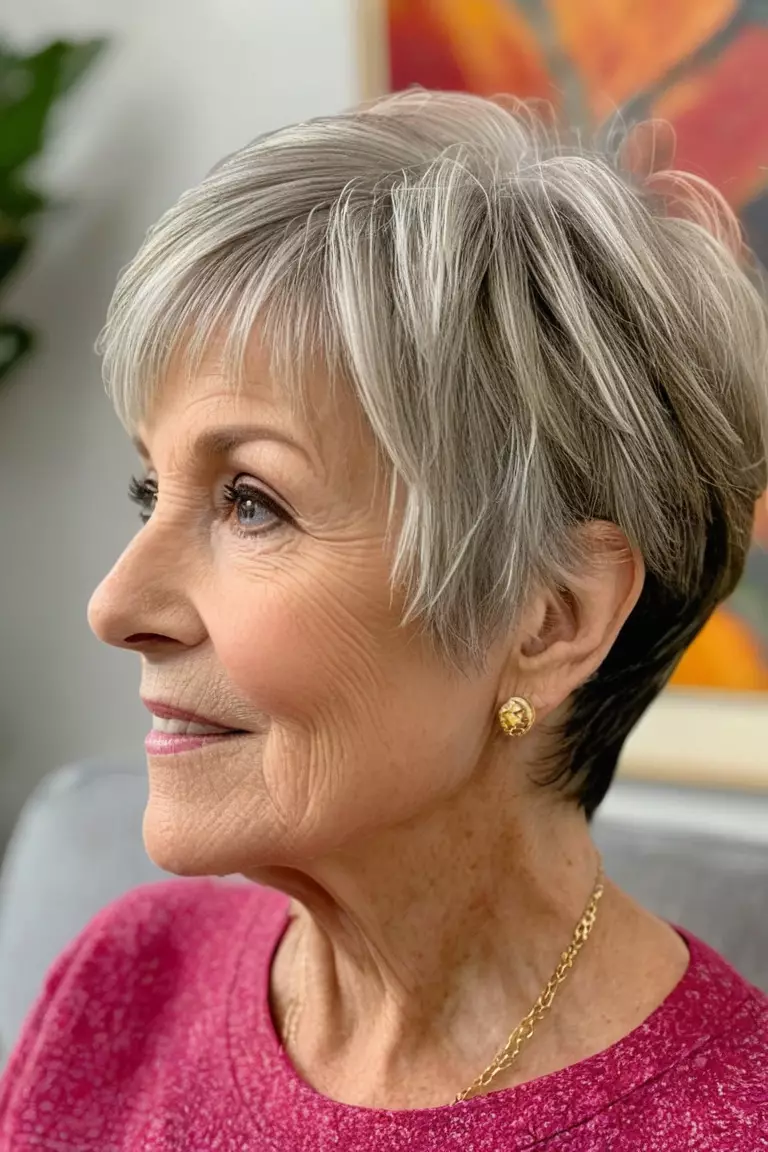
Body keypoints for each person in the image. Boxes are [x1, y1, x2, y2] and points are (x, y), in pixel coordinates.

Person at [1, 90, 766, 1151]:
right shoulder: (122, 987)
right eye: (150, 495)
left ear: (551, 617)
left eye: (250, 501)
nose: (116, 605)